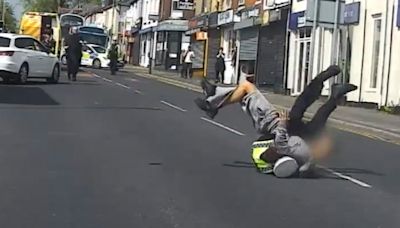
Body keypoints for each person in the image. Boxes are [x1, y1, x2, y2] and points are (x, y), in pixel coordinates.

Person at [194, 65, 357, 177]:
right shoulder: (305, 152)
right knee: (311, 118)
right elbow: (297, 159)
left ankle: (213, 100)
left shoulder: (293, 153)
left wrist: (282, 126)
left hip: (277, 126)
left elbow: (280, 147)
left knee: (247, 88)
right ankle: (334, 95)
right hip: (285, 129)